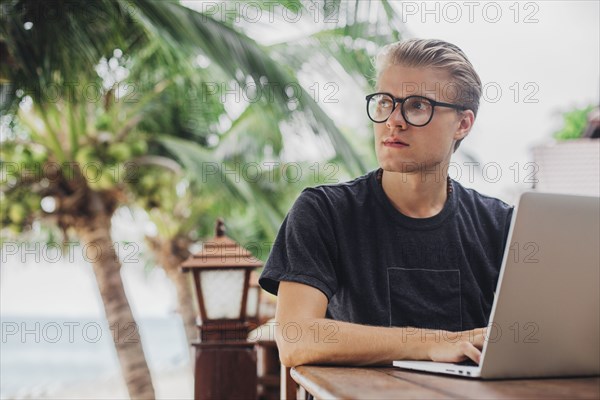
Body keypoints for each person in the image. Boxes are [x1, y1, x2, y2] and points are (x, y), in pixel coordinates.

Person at [259, 38, 514, 368]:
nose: (393, 119)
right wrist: (435, 343)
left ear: (462, 124)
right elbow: (295, 338)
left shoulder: (500, 224)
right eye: (384, 102)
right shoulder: (323, 212)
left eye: (417, 105)